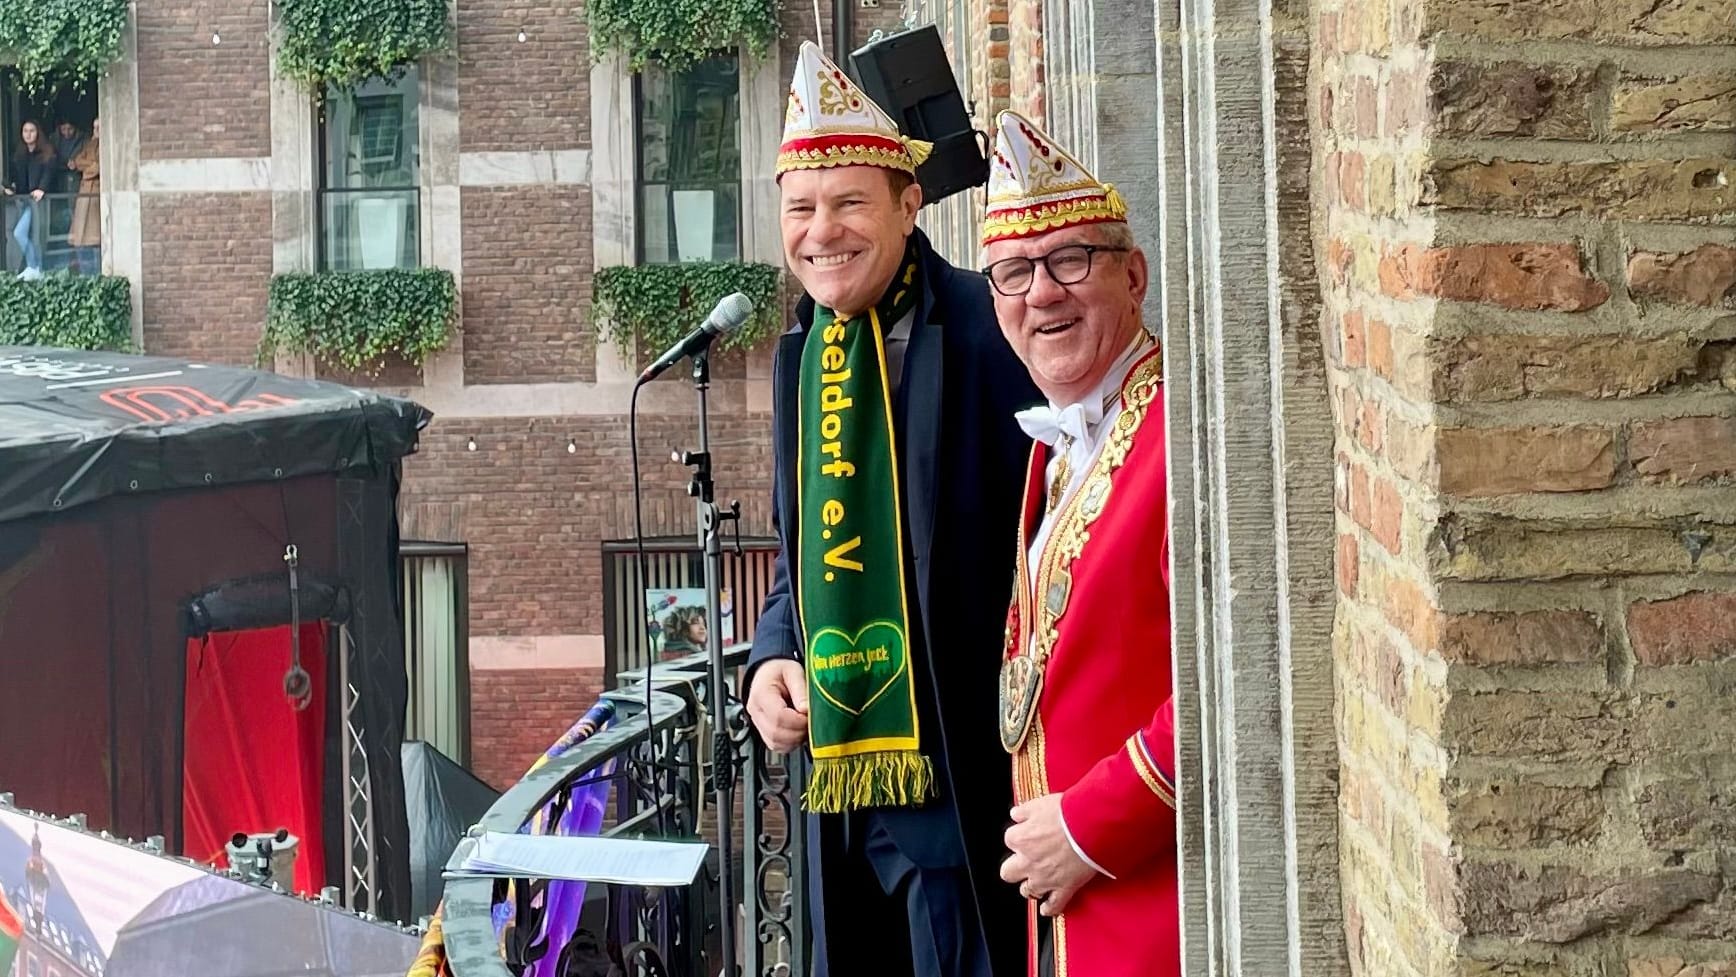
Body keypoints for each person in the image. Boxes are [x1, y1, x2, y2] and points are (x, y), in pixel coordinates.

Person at [745, 41, 1039, 977]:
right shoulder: (800, 357)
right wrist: (769, 659)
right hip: (838, 794)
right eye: (800, 208)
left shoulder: (992, 332)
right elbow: (802, 559)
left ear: (910, 206)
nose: (820, 231)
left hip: (957, 790)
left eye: (847, 204)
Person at [980, 111, 1179, 977]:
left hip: (1159, 905)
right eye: (1014, 272)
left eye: (1070, 260)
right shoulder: (1050, 447)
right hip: (1073, 924)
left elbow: (1235, 675)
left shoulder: (1183, 428)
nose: (1041, 293)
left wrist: (1089, 827)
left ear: (1132, 274)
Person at [6, 121, 56, 279]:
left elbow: (49, 173)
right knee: (20, 233)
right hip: (23, 201)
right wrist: (11, 188)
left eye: (32, 131)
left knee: (29, 235)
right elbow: (17, 179)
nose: (28, 134)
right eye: (25, 131)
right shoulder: (19, 154)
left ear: (38, 132)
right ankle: (33, 267)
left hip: (38, 201)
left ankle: (35, 267)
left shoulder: (47, 152)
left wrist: (42, 188)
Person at [68, 118, 101, 274]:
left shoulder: (104, 145)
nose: (96, 131)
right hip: (84, 192)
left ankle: (96, 270)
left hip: (95, 192)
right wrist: (90, 165)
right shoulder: (89, 143)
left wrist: (87, 168)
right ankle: (85, 270)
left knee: (95, 237)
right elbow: (77, 161)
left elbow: (99, 167)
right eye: (94, 127)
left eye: (99, 127)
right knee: (80, 236)